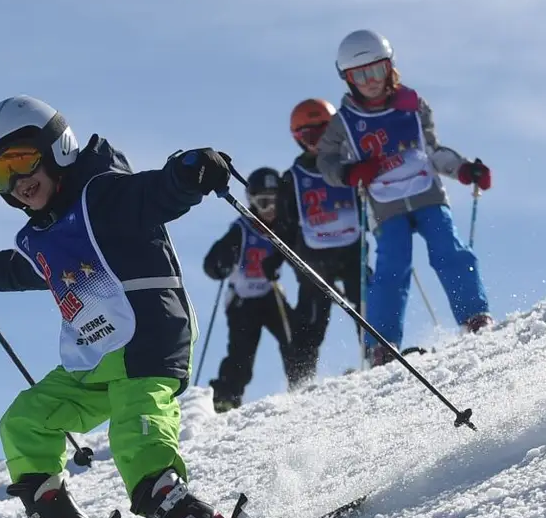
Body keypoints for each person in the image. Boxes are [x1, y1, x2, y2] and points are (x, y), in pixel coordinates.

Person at [0, 95, 255, 518]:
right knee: (25, 421)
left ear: (56, 147)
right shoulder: (41, 235)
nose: (17, 181)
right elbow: (19, 270)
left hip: (146, 340)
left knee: (134, 428)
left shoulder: (104, 194)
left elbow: (156, 194)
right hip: (93, 358)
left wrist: (188, 173)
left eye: (21, 160)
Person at [314, 29, 493, 365]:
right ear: (348, 79)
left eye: (377, 70)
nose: (370, 81)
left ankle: (474, 316)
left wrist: (465, 170)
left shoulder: (412, 105)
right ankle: (382, 344)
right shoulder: (346, 122)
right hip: (386, 205)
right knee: (391, 268)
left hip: (427, 194)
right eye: (360, 75)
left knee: (449, 251)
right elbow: (325, 159)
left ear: (390, 67)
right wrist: (350, 174)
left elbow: (432, 151)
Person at [201, 167, 301, 412]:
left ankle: (301, 381)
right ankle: (226, 396)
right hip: (243, 300)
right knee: (241, 352)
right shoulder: (242, 228)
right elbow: (211, 263)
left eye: (275, 202)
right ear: (252, 202)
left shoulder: (284, 226)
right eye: (263, 202)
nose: (270, 210)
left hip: (270, 293)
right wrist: (221, 264)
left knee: (295, 335)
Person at [282, 98, 367, 374]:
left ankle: (377, 354)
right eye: (309, 134)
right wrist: (296, 260)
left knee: (367, 297)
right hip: (314, 254)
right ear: (298, 138)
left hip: (351, 247)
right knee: (310, 315)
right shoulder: (293, 177)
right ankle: (301, 378)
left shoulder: (348, 163)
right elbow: (286, 224)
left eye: (323, 131)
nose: (317, 140)